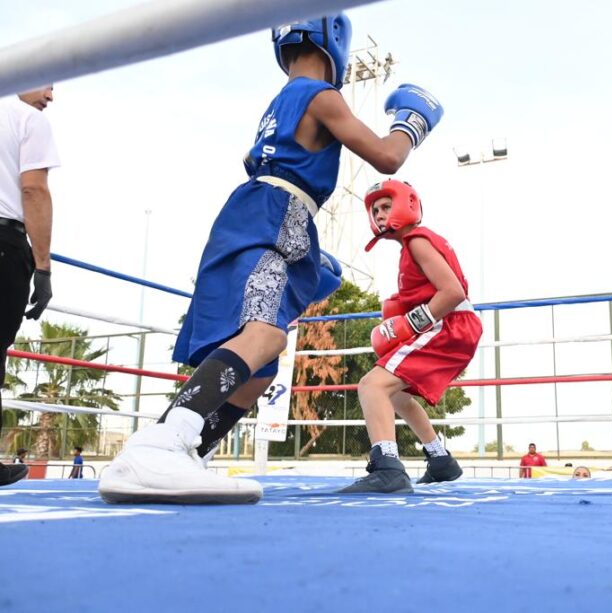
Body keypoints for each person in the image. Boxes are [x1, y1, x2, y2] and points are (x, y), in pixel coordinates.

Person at [98, 13, 443, 504]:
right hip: (274, 215)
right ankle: (161, 443)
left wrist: (307, 263)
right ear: (335, 41)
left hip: (255, 213)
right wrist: (412, 123)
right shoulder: (321, 96)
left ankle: (180, 452)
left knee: (259, 371)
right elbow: (387, 158)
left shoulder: (280, 103)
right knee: (265, 335)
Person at [339, 180, 481, 494]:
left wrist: (410, 322)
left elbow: (453, 292)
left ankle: (387, 467)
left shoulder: (417, 240)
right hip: (450, 324)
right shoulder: (411, 248)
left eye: (385, 206)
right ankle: (440, 458)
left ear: (407, 204)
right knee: (394, 394)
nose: (378, 215)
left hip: (449, 323)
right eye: (374, 210)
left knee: (371, 385)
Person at [0, 85, 58, 487]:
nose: (51, 96)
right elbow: (33, 188)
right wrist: (43, 267)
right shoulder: (28, 120)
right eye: (48, 84)